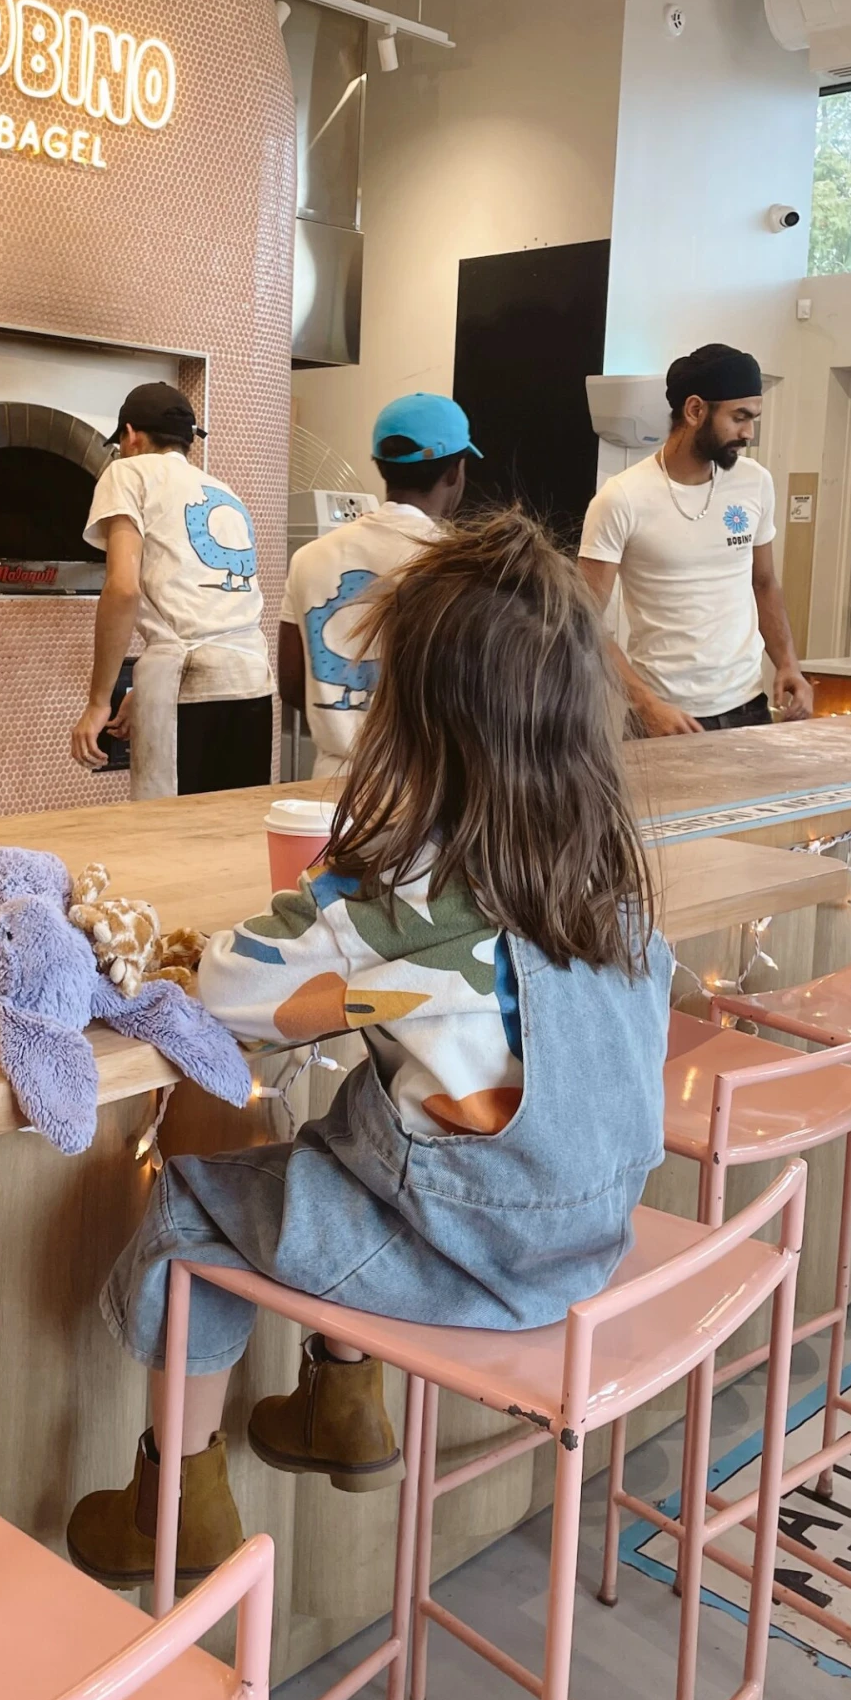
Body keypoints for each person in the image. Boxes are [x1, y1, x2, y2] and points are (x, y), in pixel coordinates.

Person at [65, 508, 672, 1589]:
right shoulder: (606, 871)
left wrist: (330, 884)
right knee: (360, 1124)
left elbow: (233, 988)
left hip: (473, 1260)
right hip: (589, 1240)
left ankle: (175, 1506)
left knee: (192, 1210)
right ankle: (339, 1407)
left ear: (413, 718)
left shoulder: (402, 890)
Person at [577, 343, 814, 736]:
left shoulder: (755, 482)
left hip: (748, 709)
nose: (749, 433)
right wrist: (645, 704)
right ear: (694, 410)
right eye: (739, 417)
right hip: (663, 718)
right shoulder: (621, 498)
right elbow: (582, 620)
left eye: (753, 419)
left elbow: (764, 583)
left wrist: (788, 663)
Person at [71, 382, 273, 799]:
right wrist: (149, 690)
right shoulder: (223, 491)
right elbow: (205, 606)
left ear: (130, 435)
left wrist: (97, 703)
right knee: (233, 827)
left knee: (169, 830)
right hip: (253, 683)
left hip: (189, 681)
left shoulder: (127, 472)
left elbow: (122, 589)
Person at [279, 392, 477, 768]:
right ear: (455, 472)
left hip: (330, 780)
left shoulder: (308, 558)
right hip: (423, 781)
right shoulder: (458, 563)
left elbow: (291, 683)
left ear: (380, 465)